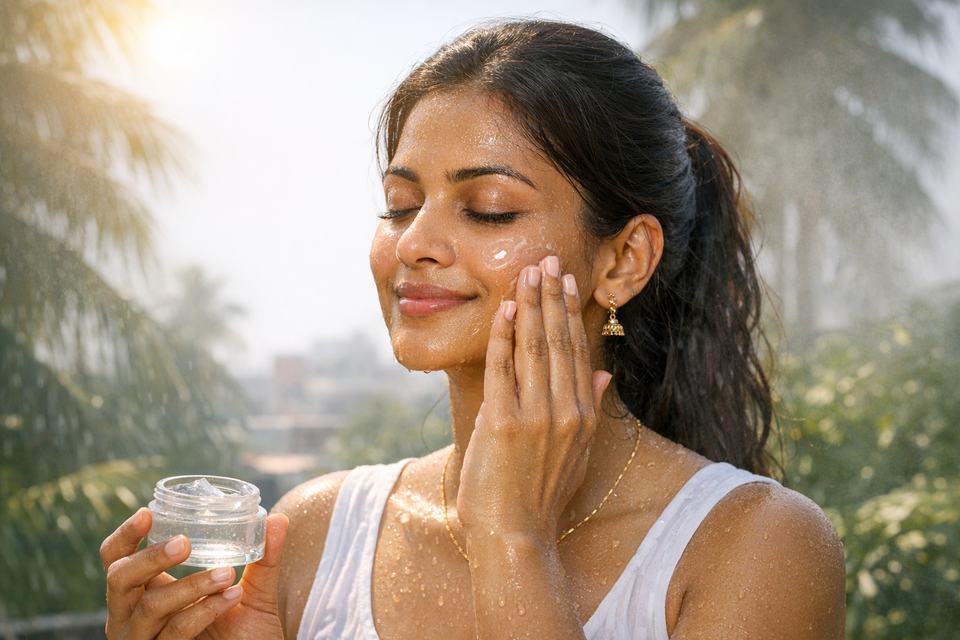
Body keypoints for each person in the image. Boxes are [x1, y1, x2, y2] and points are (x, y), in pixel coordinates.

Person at [99, 19, 845, 639]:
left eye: (487, 207)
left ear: (623, 260)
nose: (414, 242)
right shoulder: (316, 534)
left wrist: (513, 544)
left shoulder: (751, 546)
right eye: (399, 203)